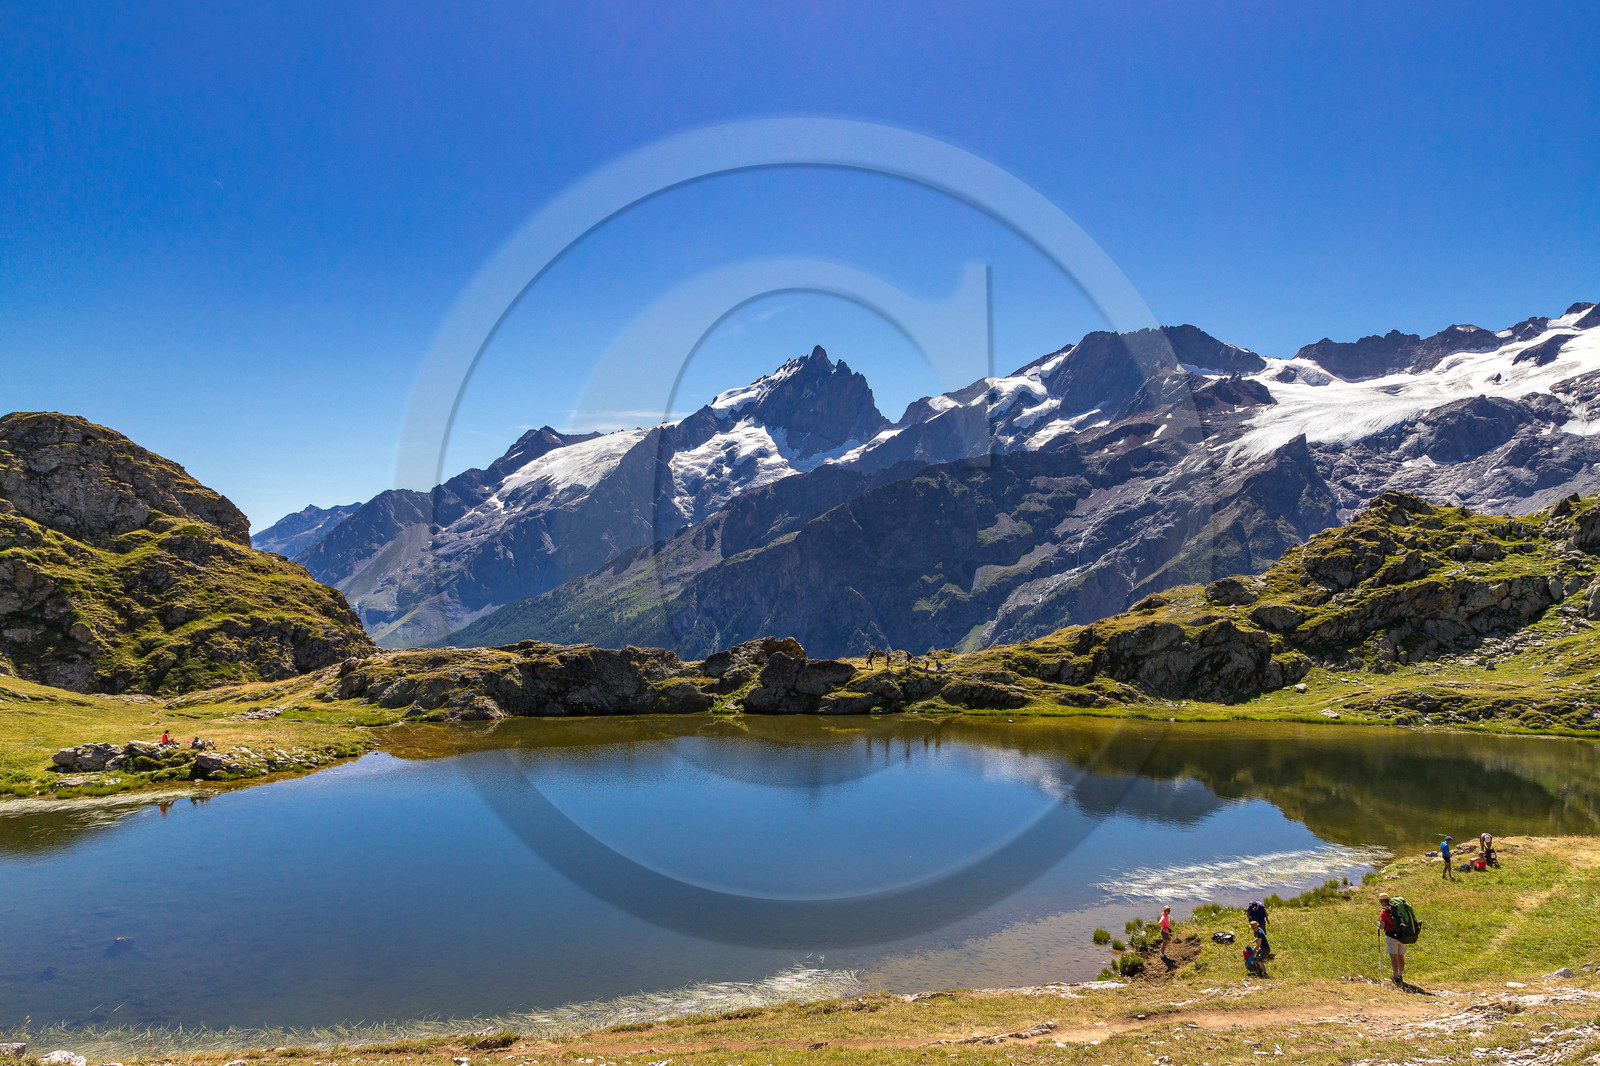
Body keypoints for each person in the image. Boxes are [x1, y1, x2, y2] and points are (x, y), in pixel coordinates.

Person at [1378, 893, 1407, 984]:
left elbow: (1382, 927)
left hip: (1392, 937)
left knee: (1394, 957)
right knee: (1401, 956)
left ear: (1382, 902)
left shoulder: (1384, 911)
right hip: (1403, 935)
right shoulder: (1398, 908)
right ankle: (1400, 976)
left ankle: (1395, 977)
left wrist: (1379, 925)